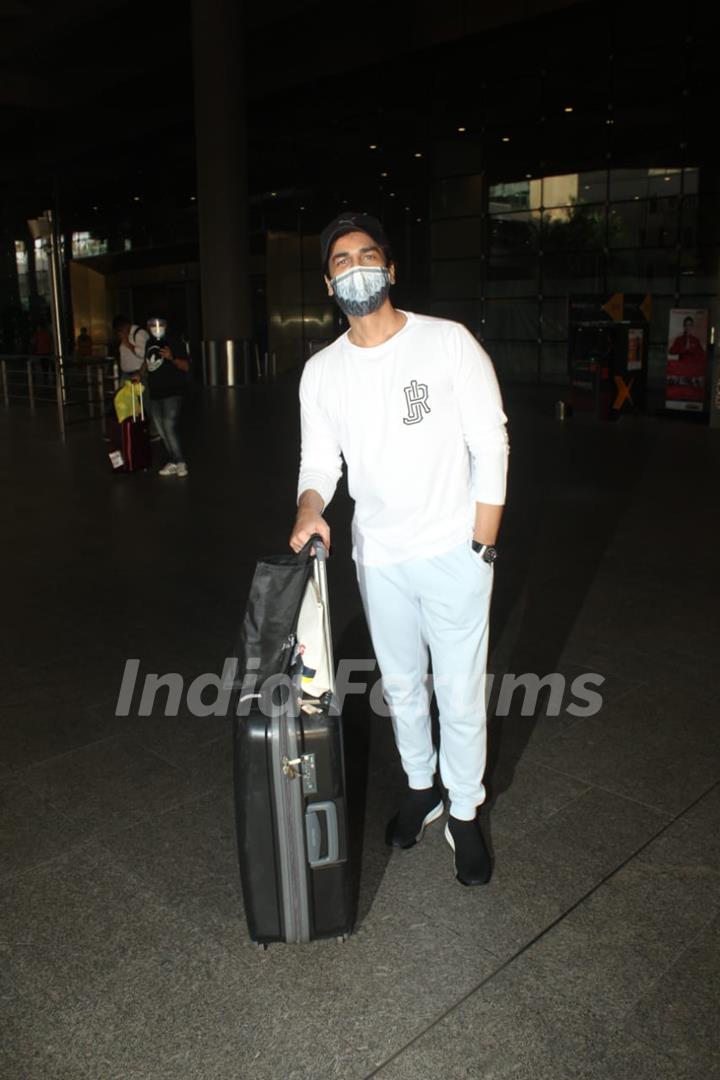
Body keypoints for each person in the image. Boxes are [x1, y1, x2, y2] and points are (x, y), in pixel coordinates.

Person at [289, 212, 509, 887]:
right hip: (378, 557)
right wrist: (309, 510)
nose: (357, 266)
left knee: (461, 691)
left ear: (390, 267)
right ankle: (422, 788)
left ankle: (466, 811)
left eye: (368, 254)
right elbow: (318, 463)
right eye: (343, 260)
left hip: (454, 551)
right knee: (404, 685)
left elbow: (490, 442)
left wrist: (482, 542)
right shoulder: (322, 373)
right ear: (329, 282)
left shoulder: (447, 344)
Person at [143, 317, 190, 477]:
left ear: (166, 325)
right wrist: (140, 374)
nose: (156, 327)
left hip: (173, 391)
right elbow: (147, 361)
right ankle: (173, 461)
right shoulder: (149, 343)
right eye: (152, 325)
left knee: (169, 426)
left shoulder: (175, 342)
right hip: (155, 392)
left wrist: (172, 358)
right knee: (161, 429)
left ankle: (180, 461)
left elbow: (186, 366)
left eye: (160, 324)